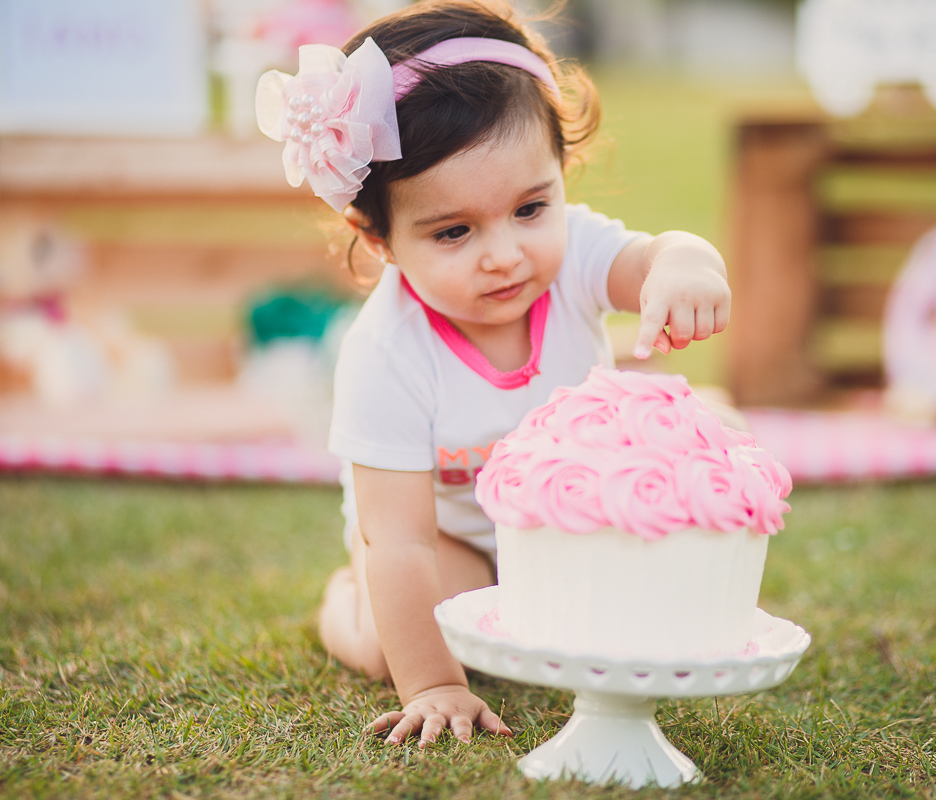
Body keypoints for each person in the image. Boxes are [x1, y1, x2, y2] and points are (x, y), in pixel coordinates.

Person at [256, 0, 731, 748]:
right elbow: (402, 542)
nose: (504, 253)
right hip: (449, 541)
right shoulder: (387, 353)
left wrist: (684, 266)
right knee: (407, 633)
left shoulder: (573, 255)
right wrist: (435, 684)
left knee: (636, 593)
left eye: (530, 208)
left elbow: (652, 257)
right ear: (377, 237)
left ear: (560, 175)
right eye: (454, 231)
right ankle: (343, 609)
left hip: (570, 527)